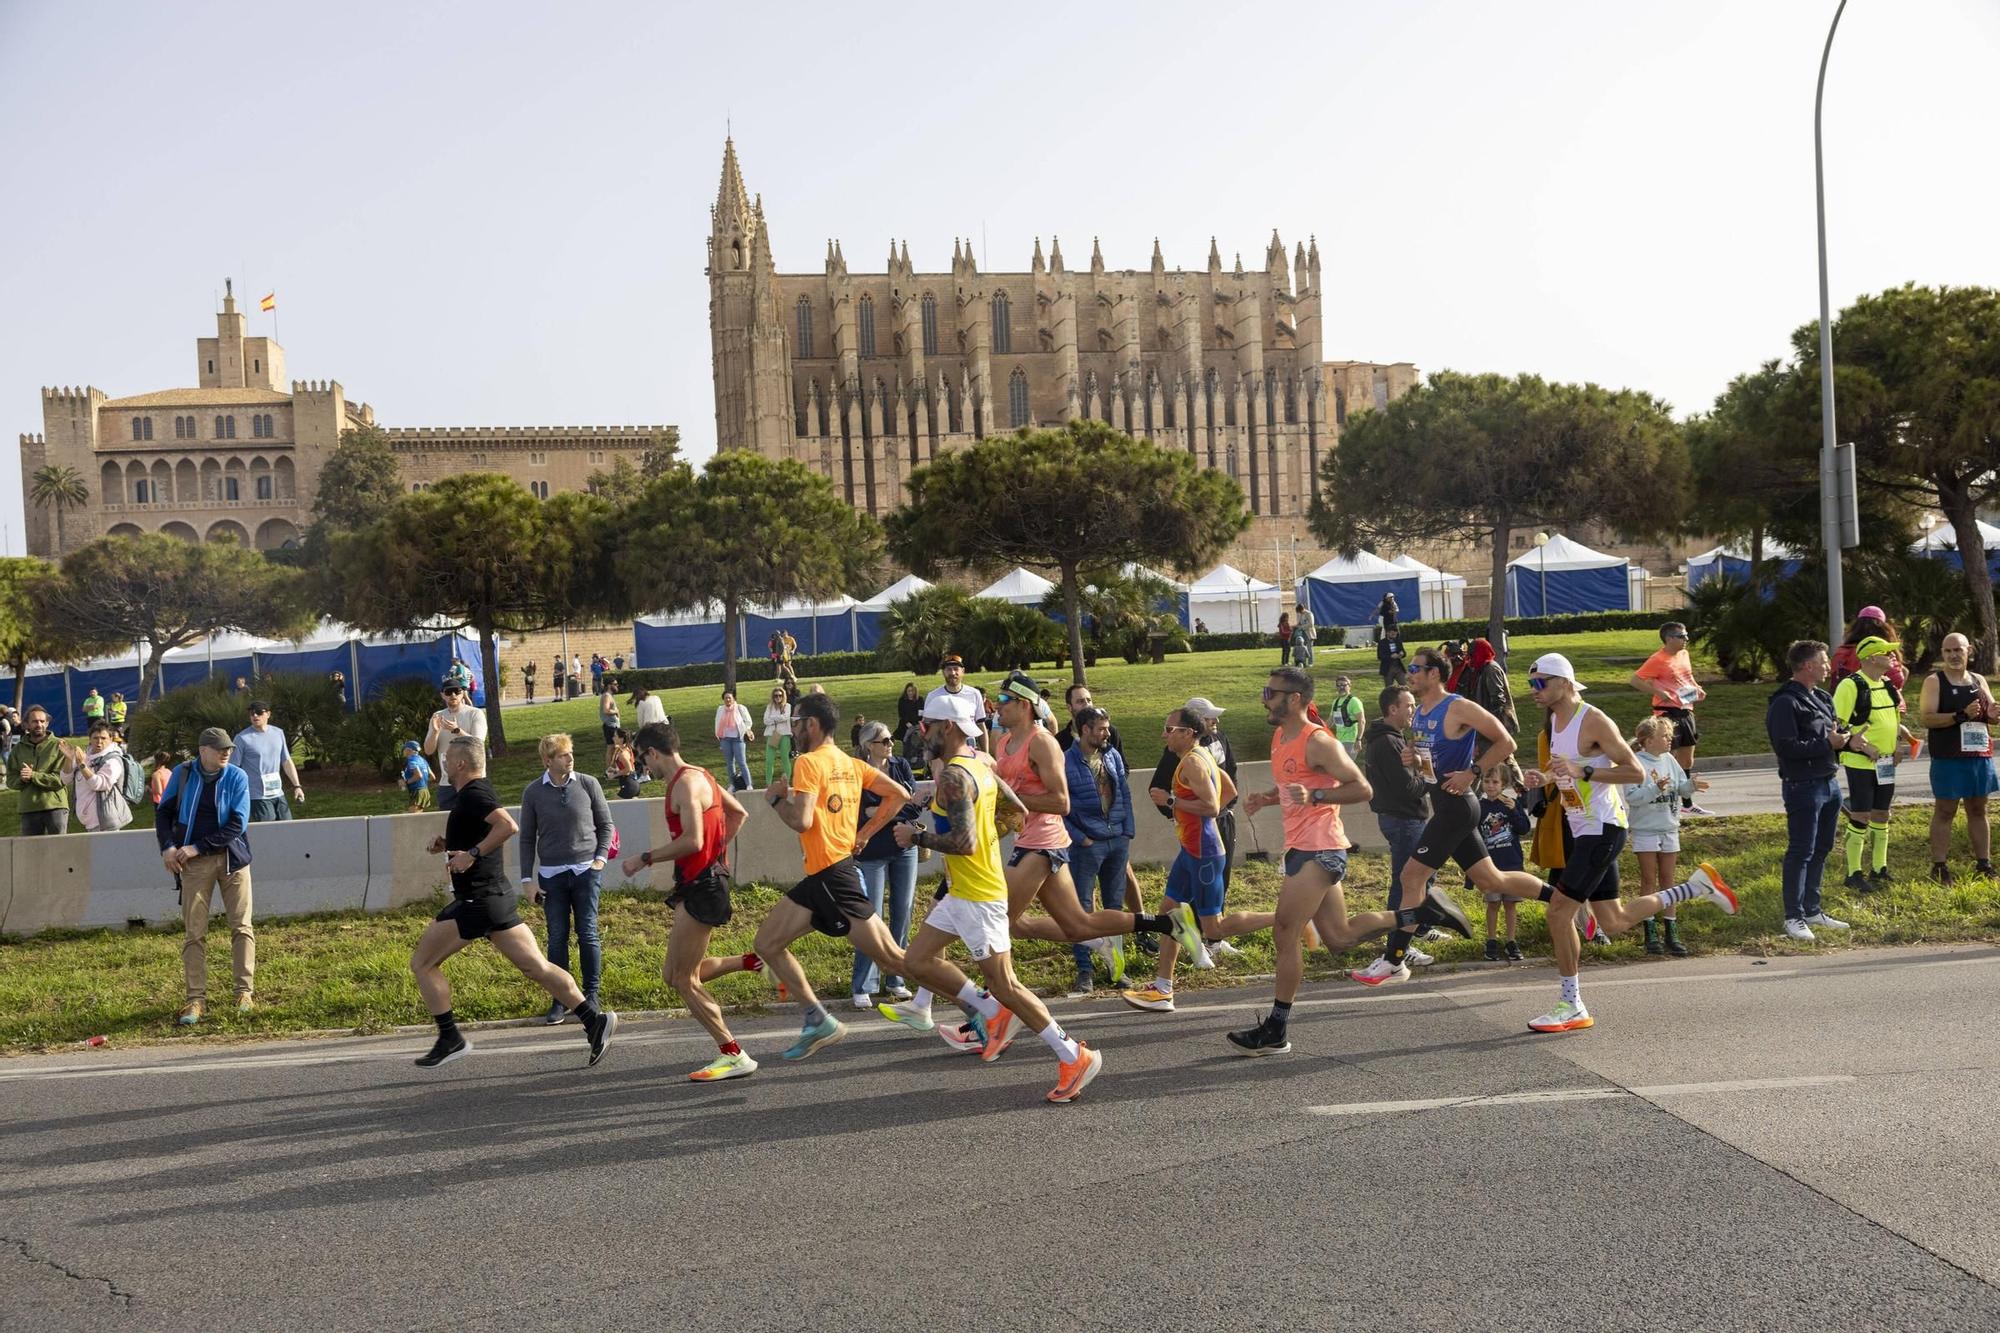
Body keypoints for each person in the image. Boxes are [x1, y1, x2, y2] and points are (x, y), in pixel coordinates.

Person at [887, 690, 1104, 1102]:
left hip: (979, 895)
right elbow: (1017, 812)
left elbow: (965, 842)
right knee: (916, 961)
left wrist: (917, 836)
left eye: (926, 725)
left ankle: (1073, 1054)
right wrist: (988, 838)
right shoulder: (981, 763)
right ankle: (990, 1010)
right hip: (961, 892)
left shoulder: (954, 775)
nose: (921, 732)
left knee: (1005, 983)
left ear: (946, 727)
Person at [1514, 653, 1737, 1031]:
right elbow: (1566, 768)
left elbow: (1634, 771)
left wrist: (1583, 770)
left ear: (1565, 683)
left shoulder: (1594, 719)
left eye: (1541, 683)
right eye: (1531, 683)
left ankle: (1571, 1004)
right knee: (1613, 921)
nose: (1534, 690)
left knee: (1558, 911)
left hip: (1603, 827)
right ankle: (1695, 887)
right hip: (1582, 826)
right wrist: (1545, 778)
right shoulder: (1554, 720)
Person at [1226, 667, 1415, 1056]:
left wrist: (1314, 800)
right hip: (1301, 845)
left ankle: (1276, 1027)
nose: (1265, 698)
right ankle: (1422, 913)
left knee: (1284, 929)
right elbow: (1297, 788)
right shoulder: (1281, 737)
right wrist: (1268, 797)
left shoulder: (1318, 741)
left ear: (1294, 699)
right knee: (1339, 938)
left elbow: (1362, 788)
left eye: (1270, 692)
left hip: (1321, 847)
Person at [409, 734, 617, 1069]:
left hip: (477, 901)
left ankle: (450, 1037)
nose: (443, 762)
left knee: (422, 963)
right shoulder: (474, 795)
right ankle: (594, 1020)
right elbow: (485, 832)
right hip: (495, 898)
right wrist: (449, 844)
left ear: (461, 763)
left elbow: (508, 826)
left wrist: (471, 854)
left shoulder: (474, 793)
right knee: (536, 967)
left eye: (447, 758)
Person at [752, 690, 930, 1060]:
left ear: (812, 725)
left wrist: (774, 800)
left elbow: (801, 820)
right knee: (767, 943)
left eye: (796, 723)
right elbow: (899, 795)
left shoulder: (808, 763)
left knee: (894, 960)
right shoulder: (849, 763)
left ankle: (979, 1005)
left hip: (834, 878)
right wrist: (861, 837)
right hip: (823, 878)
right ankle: (817, 1019)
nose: (793, 729)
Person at [621, 719, 761, 1080]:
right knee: (675, 974)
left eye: (643, 759)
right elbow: (738, 813)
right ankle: (751, 962)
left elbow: (693, 841)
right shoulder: (703, 775)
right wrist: (716, 854)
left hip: (701, 886)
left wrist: (644, 858)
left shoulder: (683, 785)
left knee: (684, 979)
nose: (643, 767)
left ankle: (733, 1053)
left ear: (653, 752)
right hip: (701, 882)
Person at [1121, 707, 1272, 1013]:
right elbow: (1228, 790)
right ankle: (1163, 988)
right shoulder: (1200, 755)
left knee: (1213, 928)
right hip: (1191, 851)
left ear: (1187, 733)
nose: (1164, 734)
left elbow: (1212, 806)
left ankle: (1286, 918)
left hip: (1204, 853)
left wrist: (1171, 801)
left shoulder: (1192, 762)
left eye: (1169, 728)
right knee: (1169, 916)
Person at [1768, 640, 1866, 942]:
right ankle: (1793, 917)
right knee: (1801, 850)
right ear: (1808, 665)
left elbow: (1833, 734)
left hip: (1828, 782)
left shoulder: (1822, 696)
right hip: (1803, 786)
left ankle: (1812, 909)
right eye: (1824, 661)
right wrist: (1828, 744)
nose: (1829, 665)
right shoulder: (1785, 702)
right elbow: (1785, 747)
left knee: (1822, 849)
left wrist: (1850, 741)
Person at [157, 728, 256, 1024]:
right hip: (193, 865)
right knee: (194, 932)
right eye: (219, 748)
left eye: (228, 748)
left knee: (241, 926)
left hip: (232, 860)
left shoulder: (237, 777)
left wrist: (196, 847)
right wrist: (167, 847)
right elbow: (163, 812)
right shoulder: (183, 773)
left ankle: (244, 992)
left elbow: (236, 825)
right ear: (203, 751)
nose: (226, 752)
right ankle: (195, 1000)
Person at [519, 732, 615, 1024]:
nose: (570, 758)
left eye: (570, 753)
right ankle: (560, 999)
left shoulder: (588, 784)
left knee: (587, 933)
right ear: (548, 761)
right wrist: (527, 880)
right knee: (557, 937)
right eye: (563, 755)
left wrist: (599, 860)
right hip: (551, 876)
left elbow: (606, 825)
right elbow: (526, 839)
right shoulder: (533, 792)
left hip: (586, 871)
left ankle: (591, 995)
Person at [1832, 634, 1916, 895]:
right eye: (1886, 652)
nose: (1892, 656)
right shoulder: (1850, 685)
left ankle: (1879, 868)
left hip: (1886, 762)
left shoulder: (1889, 684)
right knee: (1861, 815)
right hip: (1860, 762)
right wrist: (1861, 744)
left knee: (1882, 813)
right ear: (1869, 657)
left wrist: (1898, 745)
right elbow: (1837, 724)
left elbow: (1892, 719)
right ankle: (1853, 873)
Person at [1063, 705, 1136, 995]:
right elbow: (1061, 807)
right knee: (1082, 908)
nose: (1107, 733)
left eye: (1107, 727)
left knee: (1114, 908)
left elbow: (1125, 794)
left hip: (1117, 839)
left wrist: (1127, 831)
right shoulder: (1066, 760)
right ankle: (1085, 969)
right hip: (1086, 845)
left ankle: (1116, 967)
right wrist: (1080, 838)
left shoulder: (1112, 755)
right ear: (1085, 730)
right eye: (1101, 728)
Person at [1919, 631, 1998, 884]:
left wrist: (1995, 713)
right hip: (1948, 757)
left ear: (1969, 651)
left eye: (1958, 650)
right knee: (1945, 811)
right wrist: (1960, 715)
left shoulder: (1978, 680)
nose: (1953, 655)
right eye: (1948, 651)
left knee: (1978, 809)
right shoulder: (1935, 681)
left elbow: (1991, 715)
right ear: (1942, 654)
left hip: (1979, 754)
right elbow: (1927, 717)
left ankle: (1984, 864)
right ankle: (1939, 866)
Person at [852, 721, 921, 1008]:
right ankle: (863, 984)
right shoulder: (859, 772)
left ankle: (896, 979)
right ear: (870, 745)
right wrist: (894, 808)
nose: (891, 744)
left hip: (903, 848)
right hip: (871, 851)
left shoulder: (901, 765)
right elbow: (856, 813)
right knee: (872, 917)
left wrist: (879, 811)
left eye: (891, 739)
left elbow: (914, 805)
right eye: (884, 740)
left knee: (903, 913)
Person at [1629, 715, 1708, 957]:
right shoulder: (1636, 763)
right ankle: (1650, 930)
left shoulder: (1670, 760)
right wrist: (1655, 788)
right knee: (1648, 880)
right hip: (1645, 829)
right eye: (1665, 736)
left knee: (1668, 880)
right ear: (1648, 740)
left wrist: (1691, 786)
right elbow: (1633, 797)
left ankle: (1671, 931)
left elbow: (1681, 787)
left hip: (1669, 827)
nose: (1670, 740)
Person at [1363, 684, 1435, 909]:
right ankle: (1399, 937)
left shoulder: (1391, 738)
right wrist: (1432, 774)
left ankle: (1420, 927)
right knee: (1408, 880)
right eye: (1410, 706)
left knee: (1424, 873)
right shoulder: (1388, 743)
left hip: (1404, 818)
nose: (1414, 710)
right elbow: (1409, 789)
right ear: (1393, 709)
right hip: (1404, 820)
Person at [1631, 622, 1711, 815]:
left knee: (1687, 760)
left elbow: (1687, 677)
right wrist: (1659, 692)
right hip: (1666, 713)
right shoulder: (1658, 659)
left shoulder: (1684, 654)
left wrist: (1697, 689)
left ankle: (1687, 804)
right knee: (1668, 757)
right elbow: (1635, 680)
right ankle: (1667, 801)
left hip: (1685, 710)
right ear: (1669, 638)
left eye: (1686, 635)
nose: (1686, 639)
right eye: (1682, 636)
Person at [1476, 762, 1531, 961]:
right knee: (1492, 904)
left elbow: (1524, 828)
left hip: (1511, 863)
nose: (1490, 786)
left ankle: (1511, 940)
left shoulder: (1510, 804)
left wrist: (1515, 809)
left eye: (1495, 782)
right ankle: (1491, 940)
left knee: (1510, 904)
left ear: (1504, 784)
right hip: (1490, 865)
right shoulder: (1479, 807)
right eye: (1486, 781)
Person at [231, 701, 305, 822]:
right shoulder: (242, 738)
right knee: (269, 831)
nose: (255, 716)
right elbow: (233, 768)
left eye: (259, 712)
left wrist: (297, 786)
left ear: (268, 714)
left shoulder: (278, 733)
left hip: (278, 792)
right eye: (252, 713)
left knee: (289, 828)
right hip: (257, 796)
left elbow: (286, 761)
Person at [423, 681, 488, 813]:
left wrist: (457, 730)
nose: (453, 695)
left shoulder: (475, 713)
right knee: (449, 827)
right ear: (443, 695)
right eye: (448, 692)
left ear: (463, 693)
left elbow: (478, 743)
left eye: (457, 691)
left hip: (472, 781)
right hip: (447, 784)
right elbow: (428, 750)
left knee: (475, 825)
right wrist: (435, 732)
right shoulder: (437, 717)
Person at [8, 706, 71, 835]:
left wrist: (33, 775)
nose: (39, 724)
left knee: (59, 850)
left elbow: (61, 779)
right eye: (35, 721)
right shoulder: (17, 749)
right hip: (29, 808)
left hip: (55, 806)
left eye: (42, 721)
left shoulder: (60, 745)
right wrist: (22, 779)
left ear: (47, 723)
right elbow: (10, 779)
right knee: (31, 852)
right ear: (26, 724)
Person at [64, 720, 132, 832]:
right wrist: (69, 758)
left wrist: (82, 765)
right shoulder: (86, 756)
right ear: (90, 739)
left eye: (103, 738)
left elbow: (99, 784)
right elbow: (65, 779)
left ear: (111, 739)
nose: (99, 742)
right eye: (95, 738)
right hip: (89, 824)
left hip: (106, 822)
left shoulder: (113, 760)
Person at [1454, 638, 1516, 760]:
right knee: (1486, 759)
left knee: (1502, 759)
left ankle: (1516, 779)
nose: (1470, 659)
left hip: (1495, 723)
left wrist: (1493, 727)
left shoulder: (1491, 669)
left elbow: (1498, 701)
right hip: (1484, 724)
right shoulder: (1480, 669)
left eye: (1473, 655)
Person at [1830, 606, 1908, 693]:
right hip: (1877, 701)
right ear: (1883, 627)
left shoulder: (1842, 651)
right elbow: (1897, 680)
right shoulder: (1883, 651)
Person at [924, 653, 990, 753]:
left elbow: (981, 724)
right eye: (948, 669)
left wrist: (986, 754)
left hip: (969, 749)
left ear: (963, 671)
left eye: (956, 669)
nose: (953, 672)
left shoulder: (974, 694)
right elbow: (927, 728)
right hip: (943, 752)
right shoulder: (933, 696)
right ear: (943, 672)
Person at [1055, 681, 1125, 756]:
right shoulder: (1060, 741)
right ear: (1069, 707)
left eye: (1089, 700)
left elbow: (1122, 765)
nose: (1087, 705)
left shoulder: (1109, 732)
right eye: (1080, 701)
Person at [714, 690, 755, 792]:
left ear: (733, 699)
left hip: (738, 738)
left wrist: (746, 730)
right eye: (726, 698)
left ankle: (748, 784)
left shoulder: (740, 708)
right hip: (725, 739)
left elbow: (748, 721)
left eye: (729, 698)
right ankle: (732, 784)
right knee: (729, 763)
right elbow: (717, 722)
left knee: (741, 762)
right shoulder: (720, 709)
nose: (727, 700)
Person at [1327, 675, 1365, 757]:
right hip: (1339, 740)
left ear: (1349, 686)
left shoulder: (1354, 701)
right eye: (1339, 685)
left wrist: (1358, 739)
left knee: (1344, 767)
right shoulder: (1335, 702)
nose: (1341, 687)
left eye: (1344, 685)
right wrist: (1321, 731)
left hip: (1351, 741)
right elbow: (1331, 720)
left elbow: (1361, 721)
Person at [763, 685, 793, 787]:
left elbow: (786, 717)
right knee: (769, 760)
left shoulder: (787, 706)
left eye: (780, 696)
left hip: (784, 734)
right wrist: (778, 718)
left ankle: (787, 782)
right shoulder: (769, 707)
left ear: (783, 696)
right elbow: (766, 720)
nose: (778, 698)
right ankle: (768, 783)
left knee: (785, 758)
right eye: (776, 696)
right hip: (772, 734)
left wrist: (774, 719)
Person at [605, 729, 641, 799]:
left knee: (613, 806)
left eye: (615, 736)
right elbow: (625, 768)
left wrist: (614, 775)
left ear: (621, 739)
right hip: (634, 784)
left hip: (629, 785)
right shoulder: (627, 749)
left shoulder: (622, 754)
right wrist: (614, 770)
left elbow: (628, 770)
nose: (613, 738)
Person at [400, 740, 434, 812]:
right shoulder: (423, 760)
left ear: (408, 750)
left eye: (404, 749)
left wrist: (406, 782)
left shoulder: (411, 760)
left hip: (417, 791)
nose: (403, 751)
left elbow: (419, 776)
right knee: (418, 817)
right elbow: (432, 777)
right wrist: (422, 782)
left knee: (412, 819)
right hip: (425, 791)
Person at [1290, 600, 1317, 668]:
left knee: (1309, 648)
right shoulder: (1301, 615)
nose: (1299, 613)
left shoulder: (1309, 613)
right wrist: (1294, 626)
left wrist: (1302, 627)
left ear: (1302, 609)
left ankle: (1310, 663)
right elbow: (1299, 623)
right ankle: (1302, 662)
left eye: (1299, 611)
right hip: (1302, 633)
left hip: (1309, 633)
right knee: (1302, 649)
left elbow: (1311, 624)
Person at [597, 679, 622, 746]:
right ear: (609, 685)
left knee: (614, 747)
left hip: (613, 726)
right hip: (610, 727)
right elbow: (606, 710)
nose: (617, 685)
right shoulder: (607, 696)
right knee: (612, 748)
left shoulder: (609, 695)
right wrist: (616, 711)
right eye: (615, 684)